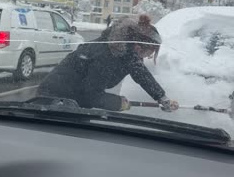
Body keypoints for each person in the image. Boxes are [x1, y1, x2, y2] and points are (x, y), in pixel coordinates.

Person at [37, 14, 179, 112]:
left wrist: (162, 97)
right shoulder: (106, 55)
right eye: (150, 53)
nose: (149, 57)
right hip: (53, 100)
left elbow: (141, 74)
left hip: (70, 100)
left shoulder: (124, 51)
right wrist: (118, 103)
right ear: (138, 46)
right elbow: (91, 96)